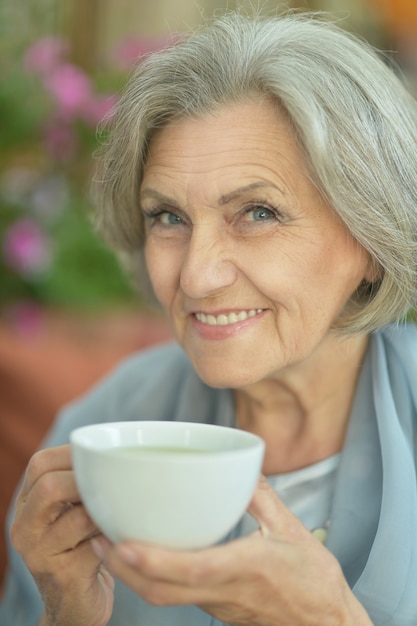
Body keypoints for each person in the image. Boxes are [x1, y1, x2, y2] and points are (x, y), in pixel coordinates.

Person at [1, 9, 417, 626]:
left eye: (258, 213)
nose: (196, 276)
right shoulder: (103, 426)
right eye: (168, 217)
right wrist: (67, 612)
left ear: (371, 244)